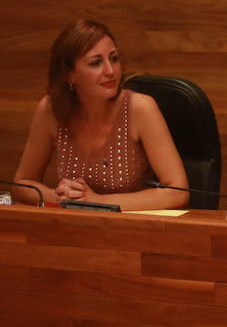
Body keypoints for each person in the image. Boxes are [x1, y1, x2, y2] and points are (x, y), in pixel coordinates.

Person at [12, 19, 188, 210]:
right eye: (96, 63)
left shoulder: (141, 108)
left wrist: (97, 201)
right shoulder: (50, 109)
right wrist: (62, 196)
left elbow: (177, 192)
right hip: (74, 228)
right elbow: (23, 183)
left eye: (114, 58)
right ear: (69, 75)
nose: (110, 71)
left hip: (131, 228)